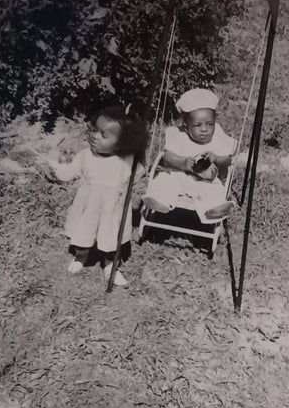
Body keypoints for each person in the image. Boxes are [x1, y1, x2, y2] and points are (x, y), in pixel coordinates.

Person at [48, 105, 148, 287]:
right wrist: (56, 170)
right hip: (88, 207)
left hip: (112, 211)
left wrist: (139, 153)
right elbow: (69, 173)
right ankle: (82, 256)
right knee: (83, 234)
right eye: (94, 130)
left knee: (111, 239)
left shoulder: (126, 161)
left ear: (122, 144)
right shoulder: (85, 156)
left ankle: (110, 265)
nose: (95, 136)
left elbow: (140, 172)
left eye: (104, 135)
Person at [144, 87, 236, 222]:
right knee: (165, 180)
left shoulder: (218, 136)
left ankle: (214, 208)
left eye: (210, 124)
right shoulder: (179, 135)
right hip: (178, 176)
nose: (204, 130)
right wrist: (182, 163)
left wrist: (217, 158)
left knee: (213, 190)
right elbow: (167, 157)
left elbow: (228, 160)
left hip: (204, 181)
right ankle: (159, 200)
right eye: (198, 125)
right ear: (186, 126)